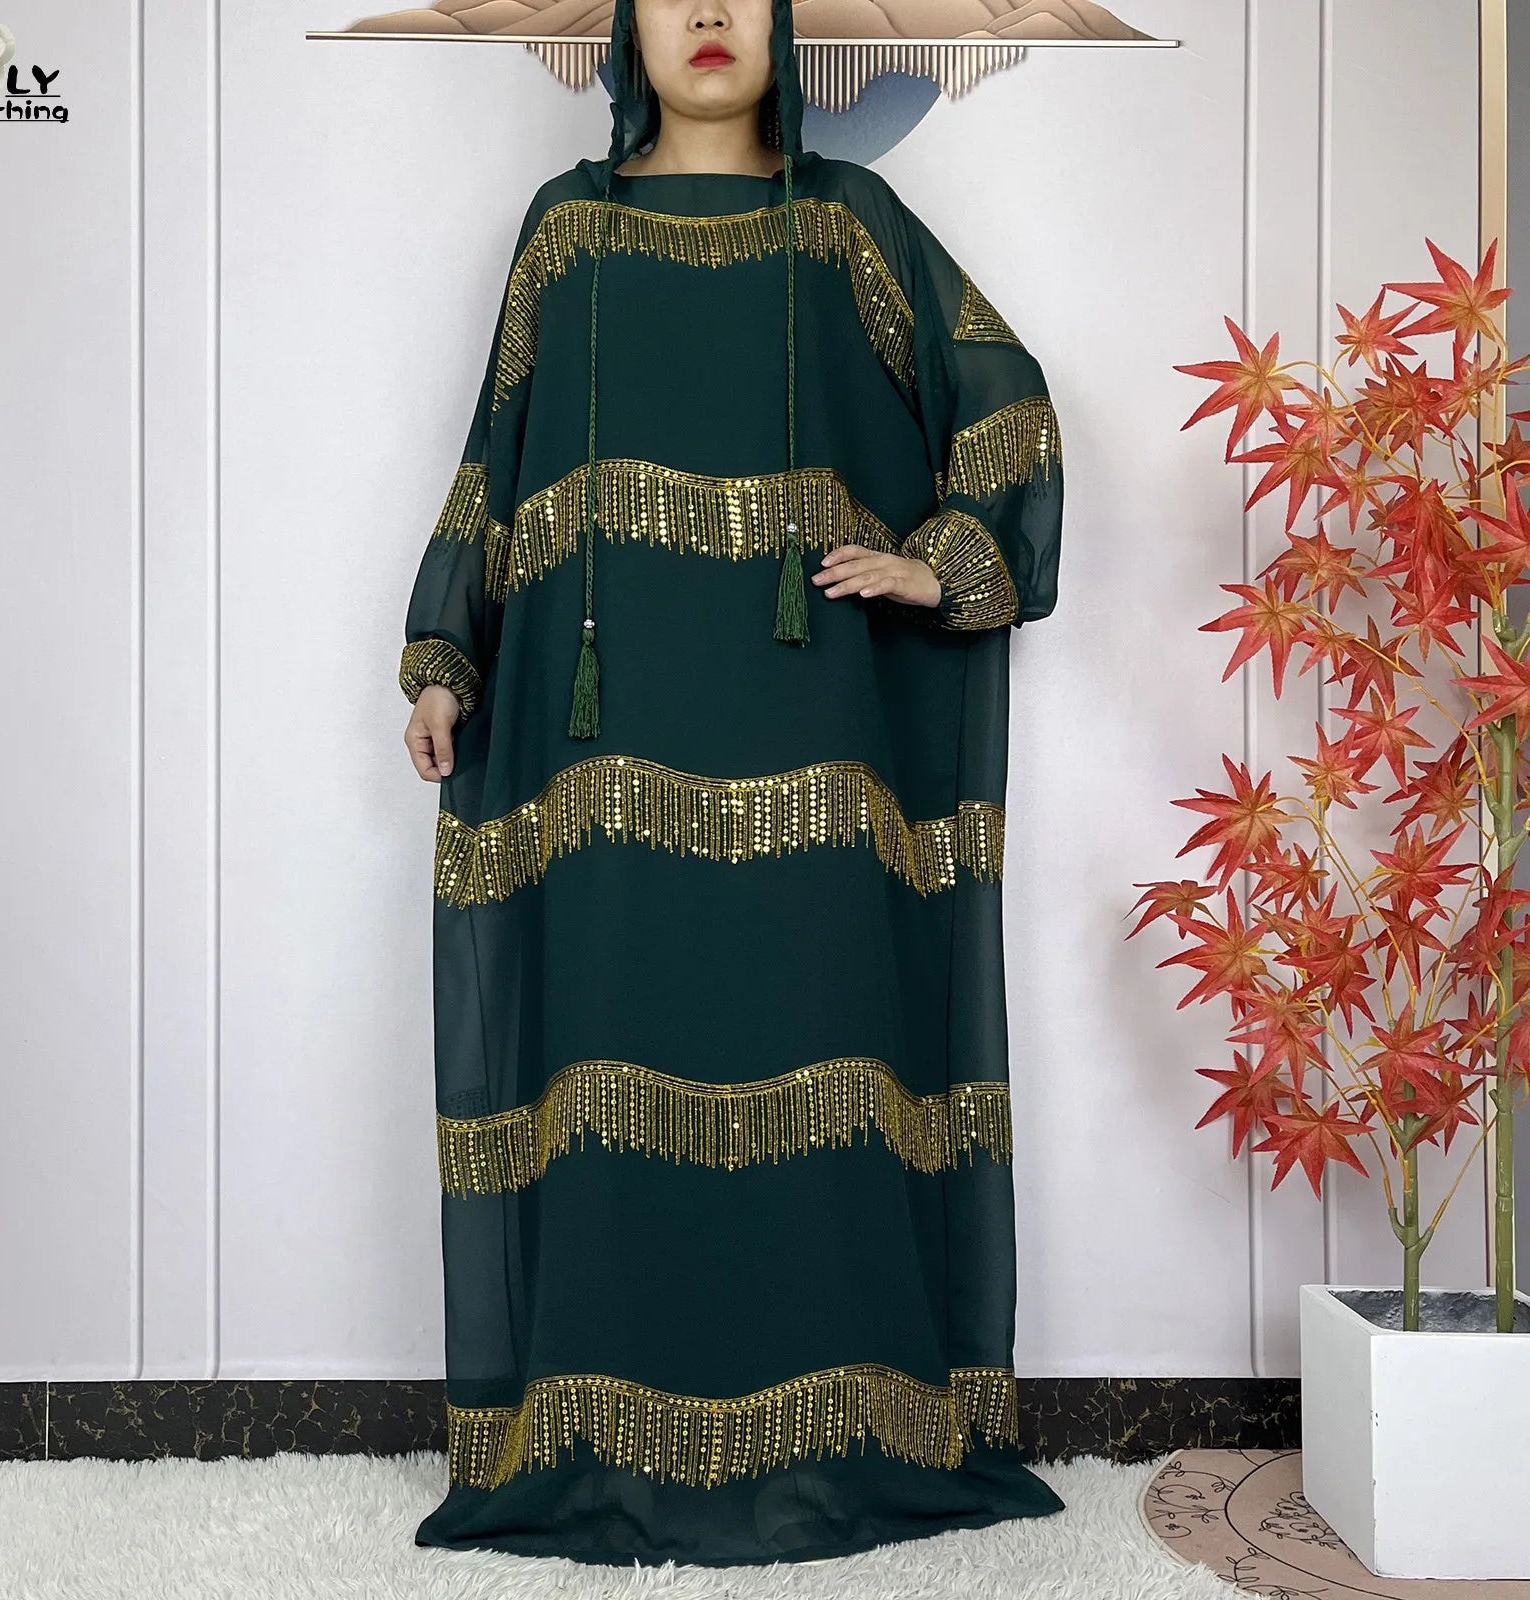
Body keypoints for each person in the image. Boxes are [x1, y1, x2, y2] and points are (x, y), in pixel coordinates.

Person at [398, 0, 1067, 1568]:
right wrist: (444, 655)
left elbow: (1011, 408)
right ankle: (603, 1446)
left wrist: (937, 562)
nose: (705, 15)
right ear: (629, 26)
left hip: (811, 745)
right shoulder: (565, 229)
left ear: (778, 22)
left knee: (815, 1043)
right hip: (599, 752)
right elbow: (496, 464)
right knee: (610, 1055)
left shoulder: (852, 227)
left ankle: (840, 1443)